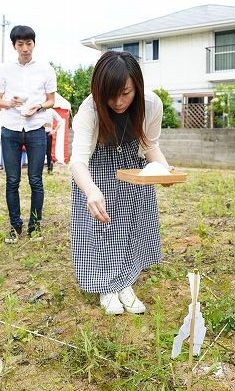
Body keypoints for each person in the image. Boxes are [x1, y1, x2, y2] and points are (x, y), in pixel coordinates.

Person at [70, 50, 172, 315]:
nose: (118, 101)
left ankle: (125, 281)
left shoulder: (151, 105)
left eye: (126, 93)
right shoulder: (88, 110)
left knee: (131, 224)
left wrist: (162, 169)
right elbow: (78, 161)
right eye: (110, 94)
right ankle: (106, 286)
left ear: (136, 86)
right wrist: (91, 191)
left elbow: (150, 145)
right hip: (97, 167)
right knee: (101, 228)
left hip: (131, 167)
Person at [0, 25, 57, 243]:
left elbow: (51, 100)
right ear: (14, 46)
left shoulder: (46, 69)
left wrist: (38, 107)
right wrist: (9, 102)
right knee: (12, 180)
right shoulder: (4, 69)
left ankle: (35, 226)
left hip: (36, 129)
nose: (25, 48)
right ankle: (15, 227)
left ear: (34, 44)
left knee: (35, 179)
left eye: (28, 43)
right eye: (20, 44)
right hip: (11, 128)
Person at [42, 108, 63, 173]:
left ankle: (49, 169)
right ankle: (38, 170)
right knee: (38, 152)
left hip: (47, 133)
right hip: (37, 133)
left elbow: (60, 121)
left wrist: (55, 130)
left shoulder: (51, 111)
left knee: (48, 152)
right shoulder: (37, 109)